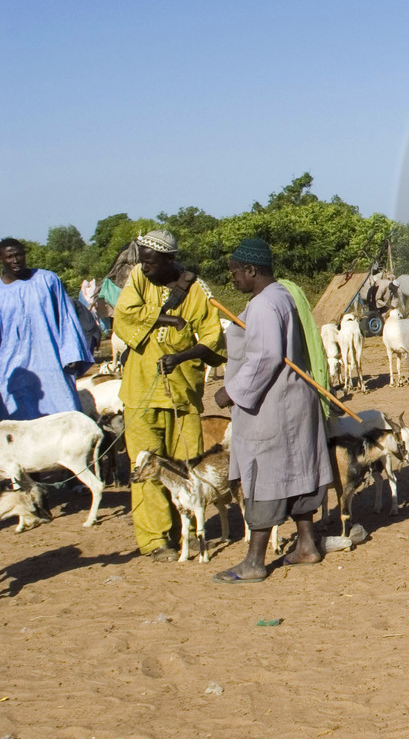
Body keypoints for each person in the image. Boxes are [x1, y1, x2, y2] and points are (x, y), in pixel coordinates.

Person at [210, 239, 335, 583]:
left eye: (235, 272)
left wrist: (231, 392)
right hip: (294, 402)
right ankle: (307, 545)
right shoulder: (282, 295)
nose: (232, 278)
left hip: (271, 406)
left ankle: (253, 562)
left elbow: (264, 357)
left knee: (264, 476)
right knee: (299, 469)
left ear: (251, 270)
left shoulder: (265, 305)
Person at [112, 229, 225, 560]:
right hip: (139, 391)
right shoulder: (138, 278)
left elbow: (212, 339)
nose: (143, 266)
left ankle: (185, 530)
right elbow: (124, 317)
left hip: (182, 393)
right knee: (145, 466)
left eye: (149, 261)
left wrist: (181, 357)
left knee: (185, 465)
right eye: (141, 260)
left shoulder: (198, 292)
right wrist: (165, 317)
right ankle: (155, 540)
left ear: (169, 259)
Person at [0, 238, 94, 420]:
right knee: (19, 422)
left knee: (65, 414)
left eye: (19, 254)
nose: (15, 260)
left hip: (52, 363)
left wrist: (71, 353)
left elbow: (66, 318)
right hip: (12, 366)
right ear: (2, 259)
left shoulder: (47, 280)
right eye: (9, 256)